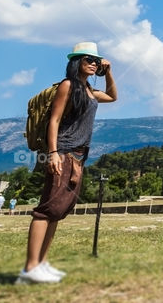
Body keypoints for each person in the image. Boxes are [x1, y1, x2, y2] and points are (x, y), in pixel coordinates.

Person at [16, 42, 117, 285]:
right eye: (88, 59)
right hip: (62, 152)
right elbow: (54, 120)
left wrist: (109, 72)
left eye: (96, 60)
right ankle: (30, 269)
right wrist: (52, 153)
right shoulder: (68, 85)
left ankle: (41, 263)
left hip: (78, 156)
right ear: (76, 62)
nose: (93, 63)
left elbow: (113, 96)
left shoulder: (89, 91)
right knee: (47, 209)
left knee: (58, 211)